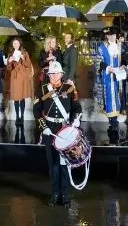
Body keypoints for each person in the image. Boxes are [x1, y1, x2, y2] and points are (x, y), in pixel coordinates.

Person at [33, 61, 82, 208]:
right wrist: (43, 127)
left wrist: (76, 121)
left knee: (64, 163)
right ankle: (55, 194)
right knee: (53, 163)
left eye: (57, 73)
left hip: (65, 128)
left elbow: (77, 108)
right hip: (50, 129)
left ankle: (65, 195)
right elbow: (36, 111)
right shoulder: (42, 90)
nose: (54, 76)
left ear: (61, 74)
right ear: (48, 75)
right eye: (51, 74)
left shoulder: (69, 88)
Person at [96, 26, 125, 143]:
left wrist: (123, 64)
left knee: (117, 97)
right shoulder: (102, 47)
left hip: (118, 77)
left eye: (114, 35)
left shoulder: (119, 46)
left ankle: (114, 121)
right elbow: (99, 62)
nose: (112, 37)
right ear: (107, 36)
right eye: (110, 35)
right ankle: (112, 121)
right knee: (108, 98)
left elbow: (124, 58)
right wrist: (108, 68)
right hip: (107, 76)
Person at [5, 38, 33, 126]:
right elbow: (9, 69)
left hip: (23, 78)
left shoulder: (24, 53)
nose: (15, 45)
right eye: (14, 44)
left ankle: (22, 117)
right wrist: (9, 62)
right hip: (15, 78)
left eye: (17, 43)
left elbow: (28, 65)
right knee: (16, 98)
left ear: (20, 44)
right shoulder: (10, 54)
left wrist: (23, 58)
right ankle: (17, 117)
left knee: (22, 98)